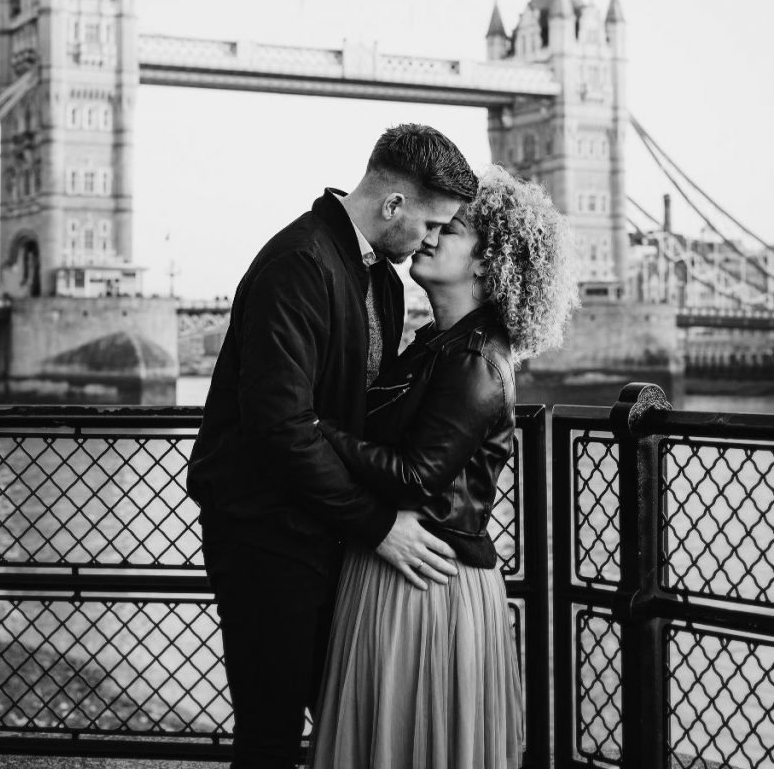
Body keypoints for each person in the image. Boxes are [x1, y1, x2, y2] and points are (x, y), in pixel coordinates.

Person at [186, 124, 478, 769]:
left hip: (321, 528)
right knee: (271, 728)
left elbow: (352, 414)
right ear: (393, 204)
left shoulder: (382, 280)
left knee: (346, 717)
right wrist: (377, 524)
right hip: (264, 531)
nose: (432, 241)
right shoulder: (300, 263)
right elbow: (281, 426)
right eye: (430, 225)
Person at [309, 165, 579, 769]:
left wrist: (314, 429)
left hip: (428, 581)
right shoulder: (437, 341)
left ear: (488, 262)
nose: (426, 236)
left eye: (448, 230)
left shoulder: (476, 358)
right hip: (400, 561)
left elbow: (415, 477)